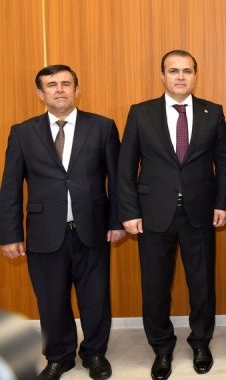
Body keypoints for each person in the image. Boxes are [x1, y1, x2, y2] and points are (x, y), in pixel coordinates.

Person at [0, 65, 124, 380]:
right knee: (51, 299)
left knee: (95, 298)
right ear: (40, 93)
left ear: (76, 90)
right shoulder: (23, 132)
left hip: (92, 229)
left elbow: (117, 180)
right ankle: (59, 357)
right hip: (44, 233)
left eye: (66, 84)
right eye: (52, 85)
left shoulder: (102, 127)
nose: (59, 90)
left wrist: (117, 221)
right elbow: (11, 187)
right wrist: (10, 234)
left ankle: (95, 354)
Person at [117, 50, 226, 380]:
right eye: (173, 71)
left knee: (202, 285)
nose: (181, 76)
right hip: (153, 215)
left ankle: (200, 343)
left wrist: (222, 204)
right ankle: (162, 348)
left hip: (200, 213)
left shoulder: (213, 112)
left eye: (187, 71)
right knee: (155, 287)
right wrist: (129, 211)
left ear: (195, 75)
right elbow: (126, 166)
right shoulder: (141, 113)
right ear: (162, 76)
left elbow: (223, 162)